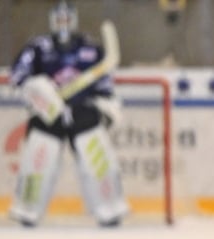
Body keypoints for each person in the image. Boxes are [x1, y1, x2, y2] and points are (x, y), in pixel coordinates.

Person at [8, 1, 129, 227]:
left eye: (67, 19)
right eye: (59, 19)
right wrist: (37, 88)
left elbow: (104, 84)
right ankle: (27, 209)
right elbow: (17, 76)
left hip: (82, 111)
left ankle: (110, 208)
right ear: (52, 20)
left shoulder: (90, 48)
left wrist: (107, 104)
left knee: (98, 160)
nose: (63, 23)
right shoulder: (38, 47)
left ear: (74, 20)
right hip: (48, 114)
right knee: (38, 161)